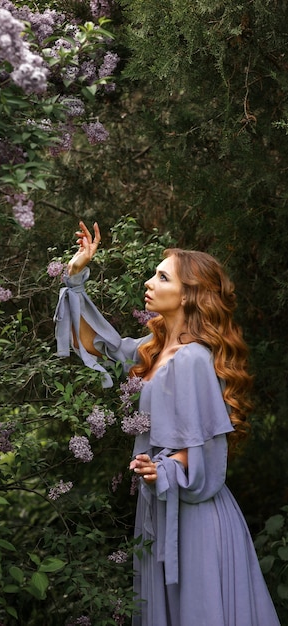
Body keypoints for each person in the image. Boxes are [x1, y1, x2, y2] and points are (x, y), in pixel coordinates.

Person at [53, 221, 281, 626]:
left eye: (162, 277)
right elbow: (95, 344)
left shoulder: (192, 359)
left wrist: (163, 468)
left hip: (193, 513)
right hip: (160, 503)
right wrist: (75, 276)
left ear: (190, 294)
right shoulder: (153, 349)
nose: (149, 281)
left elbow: (206, 451)